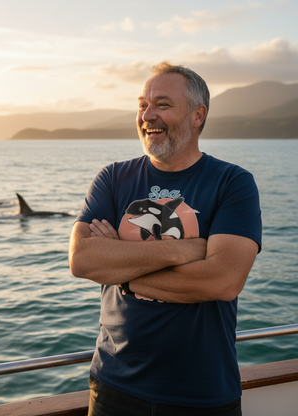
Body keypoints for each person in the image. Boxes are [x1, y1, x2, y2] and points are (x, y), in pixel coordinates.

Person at [69, 61, 262, 416]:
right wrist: (187, 249)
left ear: (197, 115)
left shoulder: (232, 183)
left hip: (202, 392)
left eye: (162, 104)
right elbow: (83, 260)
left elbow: (222, 280)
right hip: (114, 386)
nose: (147, 115)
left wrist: (119, 267)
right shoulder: (112, 178)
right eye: (142, 104)